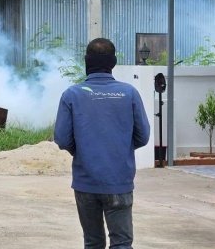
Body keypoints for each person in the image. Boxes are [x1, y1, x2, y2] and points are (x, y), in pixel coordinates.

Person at [54, 37, 151, 249]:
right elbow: (143, 136)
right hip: (119, 180)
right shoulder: (129, 93)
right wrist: (119, 146)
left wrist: (83, 150)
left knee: (93, 242)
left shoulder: (72, 95)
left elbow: (62, 139)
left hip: (85, 182)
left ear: (86, 61)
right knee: (122, 243)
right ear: (113, 63)